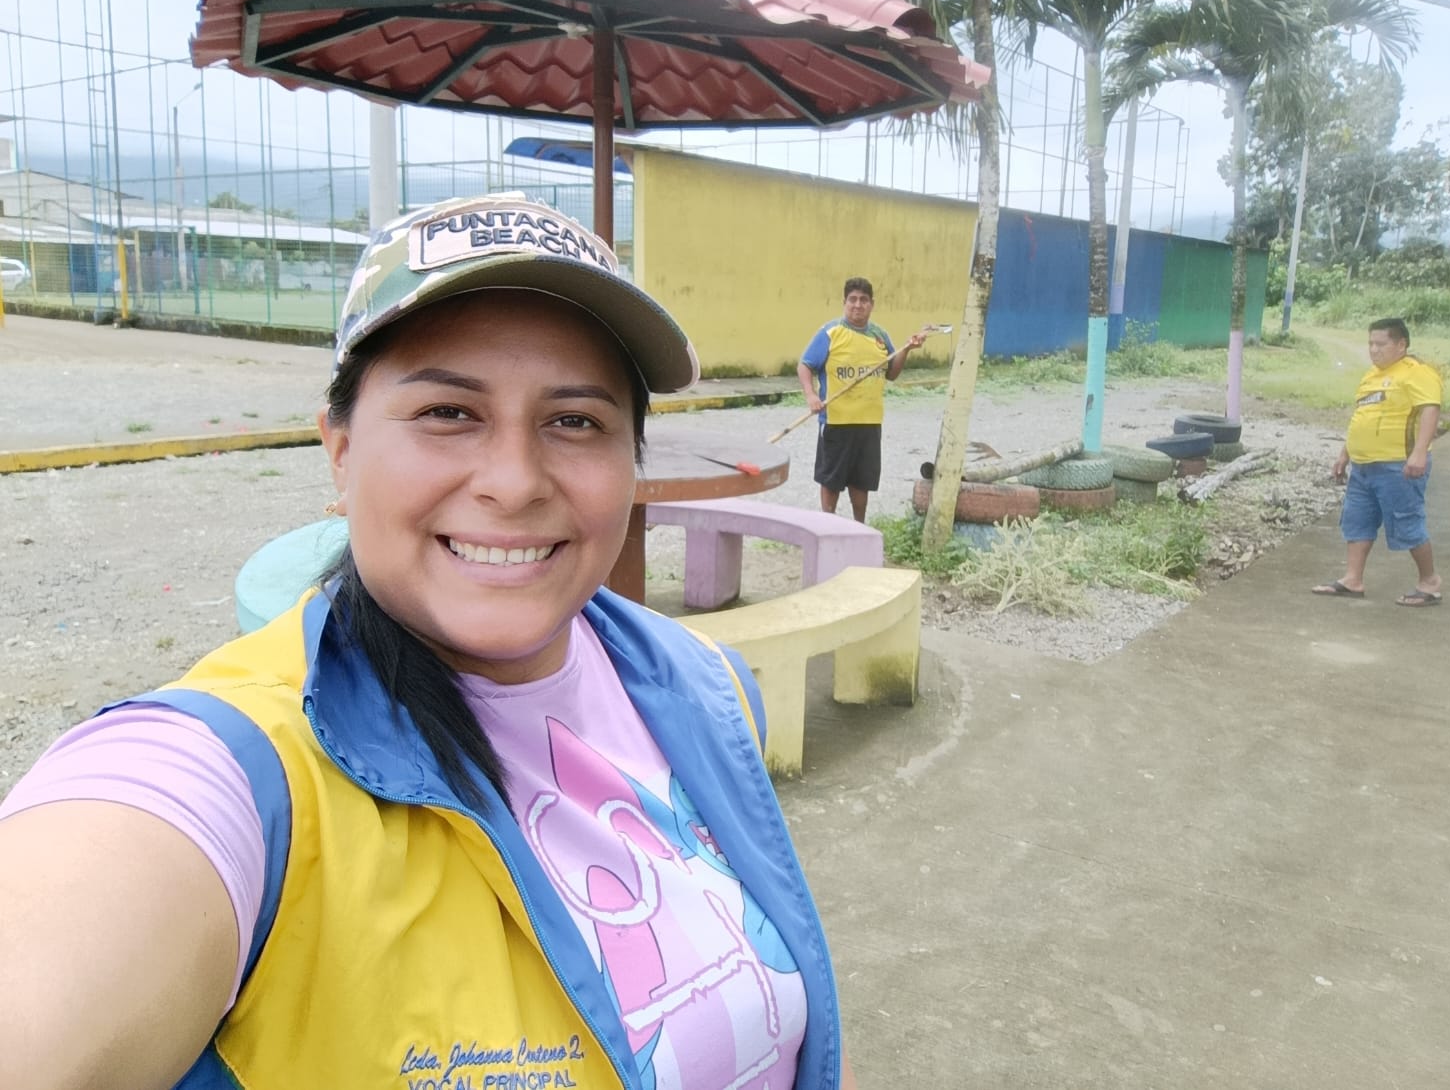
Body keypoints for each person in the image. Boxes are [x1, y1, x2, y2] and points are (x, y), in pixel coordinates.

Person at [0, 194, 855, 1090]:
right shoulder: (238, 776)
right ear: (340, 452)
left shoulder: (706, 688)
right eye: (448, 412)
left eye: (575, 421)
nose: (514, 483)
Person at [1312, 316, 1445, 607]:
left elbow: (1430, 410)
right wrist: (1344, 455)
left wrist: (1419, 452)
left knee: (1407, 522)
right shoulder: (1370, 376)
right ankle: (1353, 579)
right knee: (1357, 520)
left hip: (1397, 465)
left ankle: (1430, 582)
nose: (1374, 350)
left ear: (1401, 344)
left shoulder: (1416, 373)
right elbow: (1362, 417)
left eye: (1381, 344)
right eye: (1371, 343)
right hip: (1363, 466)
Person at [797, 276, 926, 523]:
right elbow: (805, 365)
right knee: (831, 480)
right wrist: (811, 395)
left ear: (871, 304)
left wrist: (907, 349)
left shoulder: (879, 336)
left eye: (864, 300)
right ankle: (828, 526)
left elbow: (891, 374)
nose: (858, 305)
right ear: (845, 303)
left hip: (869, 422)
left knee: (861, 482)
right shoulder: (830, 333)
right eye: (853, 299)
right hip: (836, 421)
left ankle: (859, 527)